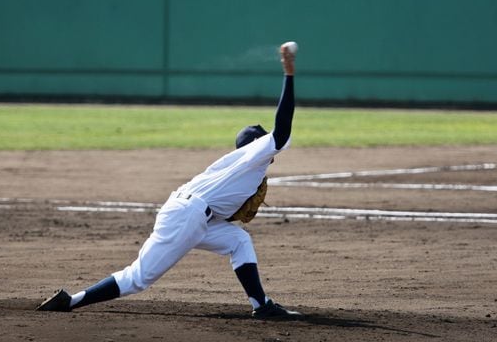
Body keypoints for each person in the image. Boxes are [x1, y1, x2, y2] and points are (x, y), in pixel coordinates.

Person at [36, 42, 302, 320]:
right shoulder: (254, 156)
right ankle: (71, 301)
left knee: (238, 241)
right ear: (255, 145)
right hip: (188, 216)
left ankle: (262, 305)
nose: (272, 150)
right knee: (138, 278)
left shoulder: (239, 165)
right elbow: (282, 129)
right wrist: (289, 73)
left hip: (194, 215)